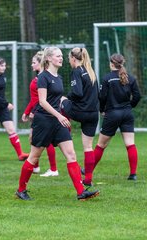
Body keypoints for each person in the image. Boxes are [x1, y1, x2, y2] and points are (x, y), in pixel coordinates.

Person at [15, 47, 99, 201]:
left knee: (71, 154)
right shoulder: (43, 77)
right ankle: (21, 190)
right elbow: (42, 101)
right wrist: (60, 115)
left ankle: (81, 192)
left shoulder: (59, 78)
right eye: (58, 56)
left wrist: (62, 115)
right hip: (44, 121)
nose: (61, 58)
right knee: (34, 157)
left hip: (57, 121)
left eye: (62, 56)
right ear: (48, 59)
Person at [91, 53, 141, 182]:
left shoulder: (107, 78)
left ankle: (88, 170)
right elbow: (137, 96)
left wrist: (102, 110)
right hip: (127, 114)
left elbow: (102, 97)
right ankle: (133, 174)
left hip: (112, 114)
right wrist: (130, 106)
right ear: (122, 63)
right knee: (130, 144)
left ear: (111, 64)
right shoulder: (130, 78)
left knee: (101, 145)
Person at [60, 47, 99, 186]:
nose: (69, 61)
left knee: (61, 101)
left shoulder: (77, 71)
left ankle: (63, 132)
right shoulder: (91, 72)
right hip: (93, 114)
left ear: (73, 58)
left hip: (80, 112)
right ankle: (88, 179)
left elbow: (77, 93)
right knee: (88, 147)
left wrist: (66, 97)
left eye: (69, 58)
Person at [22, 51, 59, 177]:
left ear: (40, 63)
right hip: (40, 113)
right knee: (37, 141)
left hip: (41, 115)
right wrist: (27, 111)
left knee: (41, 141)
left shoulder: (41, 79)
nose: (32, 65)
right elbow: (35, 99)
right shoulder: (41, 78)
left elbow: (39, 101)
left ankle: (52, 169)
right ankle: (37, 167)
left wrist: (31, 112)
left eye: (34, 62)